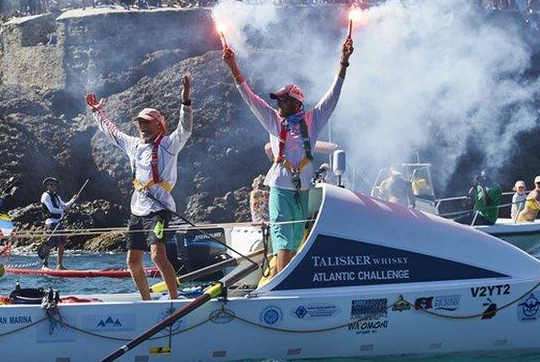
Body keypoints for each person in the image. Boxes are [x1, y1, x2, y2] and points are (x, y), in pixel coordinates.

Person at [222, 30, 353, 273]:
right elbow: (249, 98)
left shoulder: (312, 121)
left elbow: (333, 95)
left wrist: (343, 62)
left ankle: (285, 282)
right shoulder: (273, 121)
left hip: (302, 191)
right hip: (281, 190)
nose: (278, 104)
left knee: (295, 242)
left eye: (283, 100)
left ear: (297, 103)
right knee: (283, 243)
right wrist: (232, 65)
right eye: (278, 100)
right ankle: (279, 289)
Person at [86, 74, 191, 300]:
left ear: (159, 124)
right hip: (137, 210)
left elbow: (186, 129)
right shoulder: (133, 145)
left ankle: (175, 300)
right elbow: (111, 131)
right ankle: (146, 302)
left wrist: (186, 102)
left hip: (159, 211)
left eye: (147, 122)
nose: (142, 126)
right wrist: (97, 112)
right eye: (140, 123)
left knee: (157, 256)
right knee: (132, 261)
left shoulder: (169, 145)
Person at [39, 177, 76, 269]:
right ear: (47, 186)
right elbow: (51, 209)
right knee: (49, 244)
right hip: (50, 223)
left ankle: (59, 265)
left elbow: (64, 205)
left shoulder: (56, 196)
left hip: (59, 223)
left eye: (55, 185)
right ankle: (45, 264)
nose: (53, 186)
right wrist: (63, 211)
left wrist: (72, 200)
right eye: (51, 185)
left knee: (62, 243)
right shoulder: (45, 196)